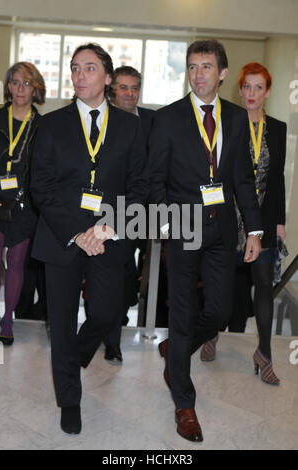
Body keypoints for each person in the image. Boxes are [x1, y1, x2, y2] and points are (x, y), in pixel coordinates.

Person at [30, 43, 148, 435]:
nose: (80, 76)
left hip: (109, 236)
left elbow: (139, 185)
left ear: (108, 78)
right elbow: (40, 186)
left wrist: (106, 228)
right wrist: (78, 233)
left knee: (105, 312)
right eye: (75, 68)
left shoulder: (131, 126)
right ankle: (70, 398)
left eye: (90, 68)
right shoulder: (49, 124)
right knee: (61, 323)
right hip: (62, 236)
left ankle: (75, 356)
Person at [149, 40, 262, 442]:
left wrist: (255, 230)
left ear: (222, 74)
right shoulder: (168, 119)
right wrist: (164, 224)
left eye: (207, 67)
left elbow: (243, 180)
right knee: (181, 315)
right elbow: (155, 177)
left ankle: (177, 351)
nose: (199, 74)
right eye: (192, 67)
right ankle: (184, 403)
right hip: (181, 228)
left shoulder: (235, 117)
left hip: (221, 232)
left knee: (219, 310)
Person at [200, 63, 287, 386]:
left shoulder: (277, 129)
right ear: (239, 89)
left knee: (263, 287)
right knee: (220, 284)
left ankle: (264, 352)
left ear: (267, 91)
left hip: (260, 222)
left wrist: (279, 222)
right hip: (225, 217)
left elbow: (276, 179)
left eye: (258, 88)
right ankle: (211, 334)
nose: (251, 94)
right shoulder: (227, 121)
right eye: (247, 87)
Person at [101, 65, 154, 362]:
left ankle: (113, 336)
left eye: (135, 88)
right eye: (123, 87)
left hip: (136, 211)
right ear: (112, 90)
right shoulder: (100, 119)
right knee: (100, 274)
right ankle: (96, 325)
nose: (130, 94)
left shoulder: (151, 120)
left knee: (122, 272)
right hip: (100, 208)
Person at [0, 62, 45, 346]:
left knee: (16, 263)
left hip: (24, 203)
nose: (20, 89)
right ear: (8, 86)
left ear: (36, 88)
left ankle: (8, 319)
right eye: (15, 82)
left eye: (26, 83)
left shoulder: (42, 126)